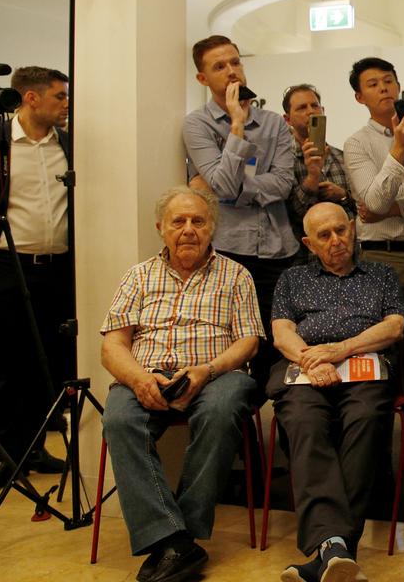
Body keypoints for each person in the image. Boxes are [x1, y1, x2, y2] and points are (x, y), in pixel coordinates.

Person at [99, 186, 262, 582]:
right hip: (147, 375)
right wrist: (139, 379)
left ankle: (177, 537)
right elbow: (113, 346)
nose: (188, 229)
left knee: (223, 409)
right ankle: (175, 541)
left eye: (198, 221)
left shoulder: (236, 275)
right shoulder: (137, 276)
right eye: (179, 221)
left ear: (211, 229)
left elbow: (249, 341)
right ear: (161, 229)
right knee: (119, 420)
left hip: (216, 375)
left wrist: (207, 369)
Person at [268, 202, 404, 582]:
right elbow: (282, 333)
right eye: (324, 236)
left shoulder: (382, 274)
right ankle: (339, 549)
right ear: (309, 243)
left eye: (341, 230)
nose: (336, 240)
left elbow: (394, 327)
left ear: (353, 228)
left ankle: (329, 547)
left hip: (364, 366)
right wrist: (316, 362)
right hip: (307, 367)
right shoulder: (291, 280)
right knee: (303, 420)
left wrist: (342, 349)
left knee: (365, 418)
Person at [184, 35, 298, 390]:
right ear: (202, 79)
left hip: (280, 250)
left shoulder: (273, 124)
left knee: (277, 349)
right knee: (237, 348)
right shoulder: (197, 124)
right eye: (220, 66)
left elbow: (281, 184)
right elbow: (221, 188)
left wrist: (230, 188)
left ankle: (277, 429)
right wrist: (235, 125)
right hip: (231, 251)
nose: (232, 71)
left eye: (235, 62)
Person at [342, 57, 404, 393]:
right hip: (384, 256)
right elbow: (372, 203)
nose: (384, 88)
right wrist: (397, 150)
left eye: (388, 80)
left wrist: (398, 206)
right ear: (359, 97)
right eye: (373, 84)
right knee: (386, 347)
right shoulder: (357, 144)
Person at [0, 66, 71, 475]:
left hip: (57, 266)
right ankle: (7, 453)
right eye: (59, 96)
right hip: (9, 265)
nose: (65, 104)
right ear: (31, 98)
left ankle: (35, 447)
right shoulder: (3, 142)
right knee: (9, 361)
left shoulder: (65, 144)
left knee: (48, 359)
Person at [281, 83, 354, 258]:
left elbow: (361, 209)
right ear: (287, 119)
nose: (310, 111)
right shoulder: (283, 159)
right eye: (301, 108)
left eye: (315, 105)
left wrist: (343, 195)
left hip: (348, 255)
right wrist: (313, 176)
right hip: (305, 258)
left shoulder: (341, 156)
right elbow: (294, 212)